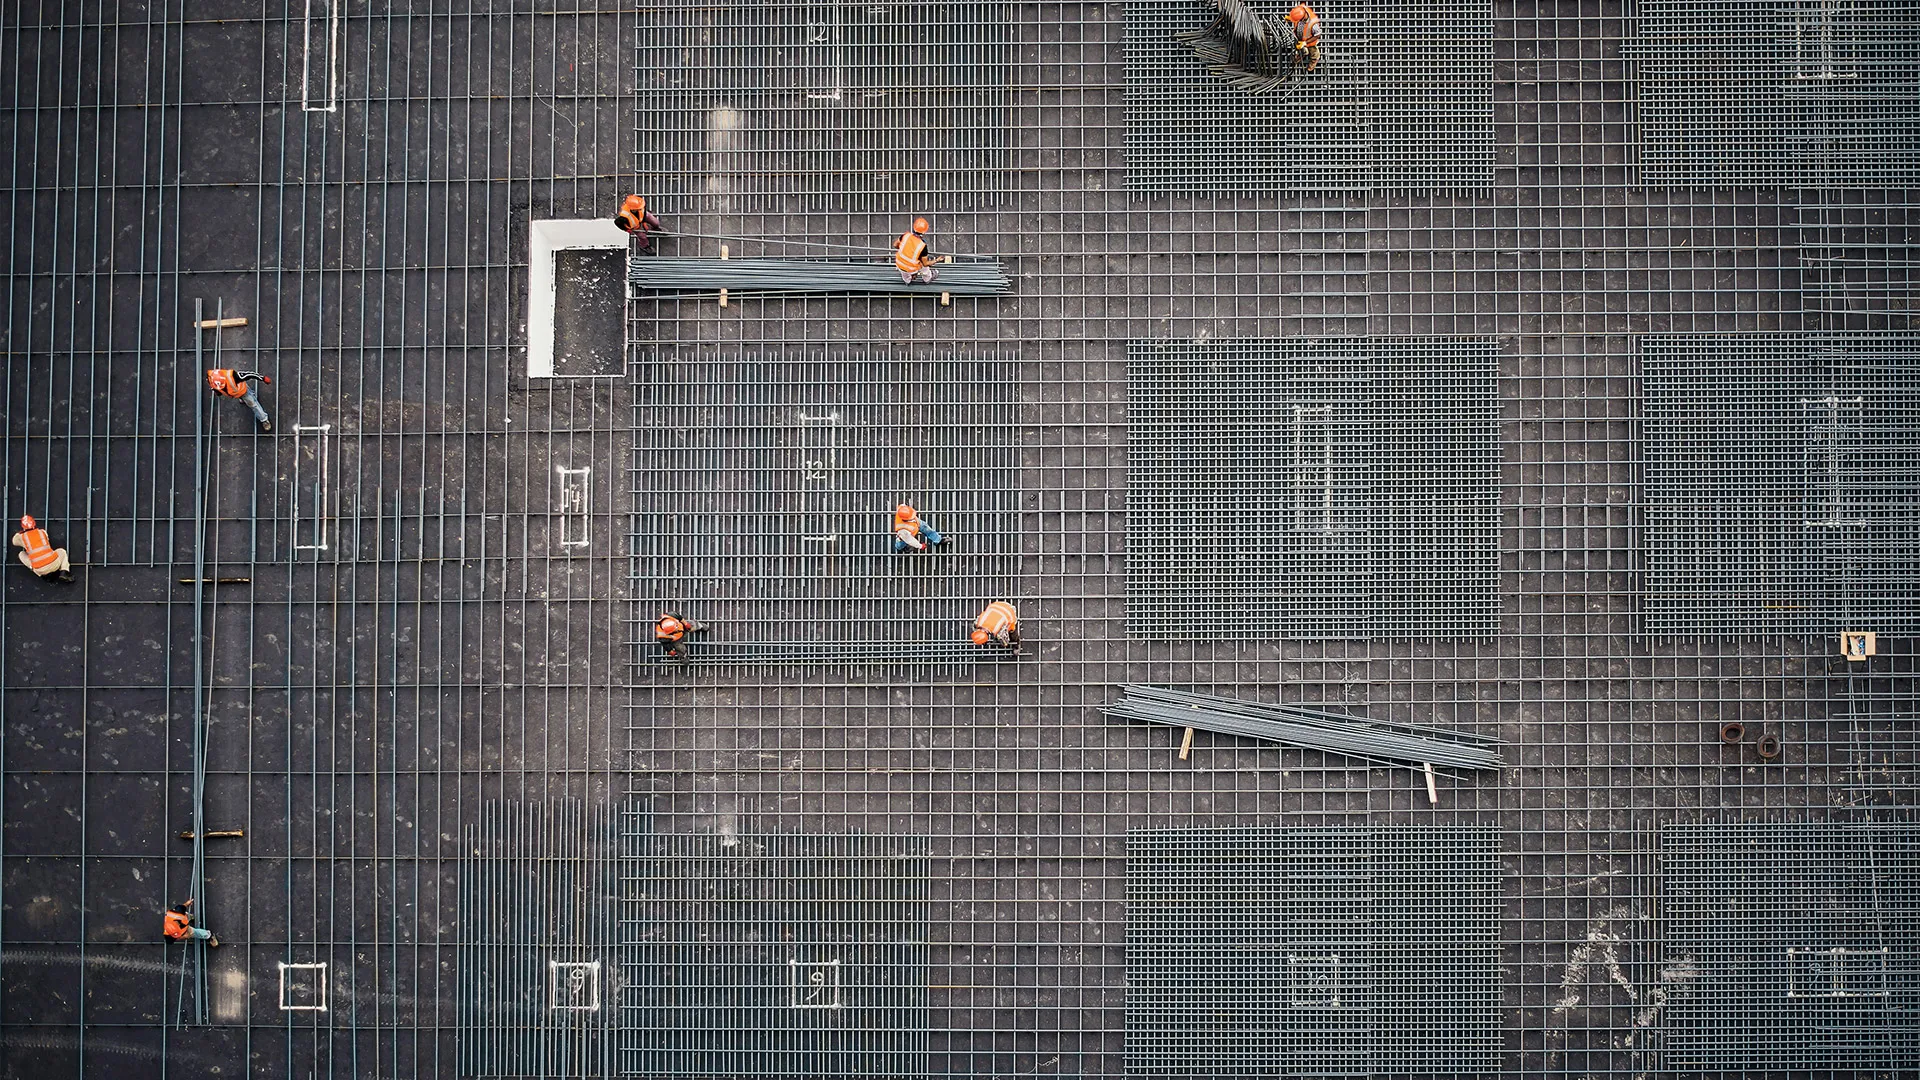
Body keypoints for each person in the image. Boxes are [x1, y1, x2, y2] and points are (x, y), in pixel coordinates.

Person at [206, 368, 272, 432]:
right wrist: (218, 392)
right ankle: (246, 397)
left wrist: (262, 378)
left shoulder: (234, 376)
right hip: (234, 393)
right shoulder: (211, 378)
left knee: (253, 404)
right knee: (243, 397)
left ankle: (264, 419)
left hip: (243, 392)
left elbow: (249, 374)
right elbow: (214, 387)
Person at [12, 515, 73, 582]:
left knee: (21, 554)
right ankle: (64, 571)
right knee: (61, 551)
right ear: (34, 523)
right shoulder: (42, 532)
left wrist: (19, 533)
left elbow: (14, 542)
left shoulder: (21, 537)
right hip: (54, 564)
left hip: (40, 569)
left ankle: (42, 575)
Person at [892, 217, 949, 285]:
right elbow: (925, 264)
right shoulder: (922, 246)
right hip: (911, 268)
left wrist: (906, 250)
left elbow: (895, 245)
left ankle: (907, 280)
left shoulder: (905, 236)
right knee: (924, 267)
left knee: (905, 273)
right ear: (924, 232)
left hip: (899, 264)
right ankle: (927, 278)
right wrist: (937, 260)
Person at [1286, 3, 1321, 72]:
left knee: (1314, 52)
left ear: (1304, 17)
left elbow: (1317, 35)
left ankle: (1313, 61)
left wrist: (1305, 42)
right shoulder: (1301, 10)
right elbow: (1296, 15)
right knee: (1302, 51)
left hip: (1310, 40)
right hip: (1300, 38)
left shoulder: (1313, 23)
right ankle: (1300, 56)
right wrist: (1291, 18)